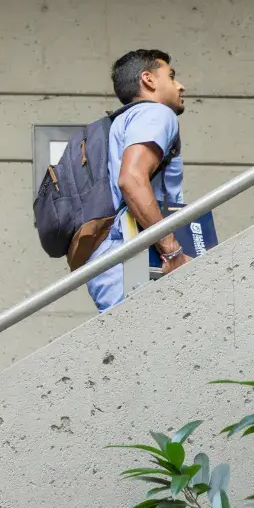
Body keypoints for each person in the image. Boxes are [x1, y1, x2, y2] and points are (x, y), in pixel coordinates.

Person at [86, 49, 192, 312]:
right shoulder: (155, 114)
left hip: (109, 260)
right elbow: (132, 179)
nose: (181, 86)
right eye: (171, 76)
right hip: (137, 259)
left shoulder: (119, 122)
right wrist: (172, 251)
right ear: (149, 80)